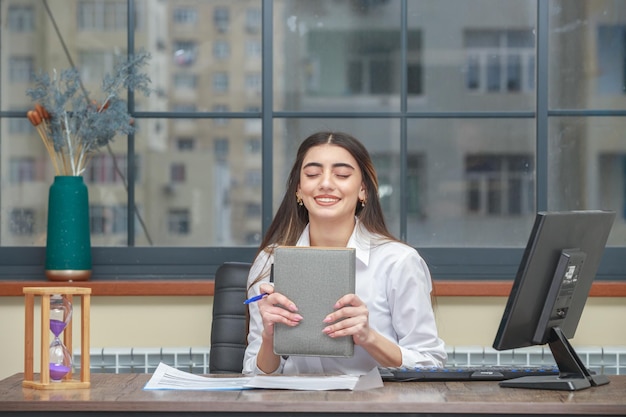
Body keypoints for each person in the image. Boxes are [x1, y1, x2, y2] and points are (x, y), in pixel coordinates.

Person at [242, 131, 446, 375]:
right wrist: (268, 337)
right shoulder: (270, 261)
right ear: (299, 190)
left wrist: (369, 337)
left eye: (342, 175)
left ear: (363, 191)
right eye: (312, 174)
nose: (326, 183)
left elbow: (430, 363)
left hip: (374, 407)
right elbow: (255, 375)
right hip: (296, 405)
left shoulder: (399, 262)